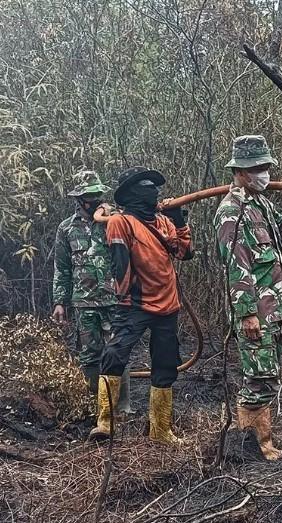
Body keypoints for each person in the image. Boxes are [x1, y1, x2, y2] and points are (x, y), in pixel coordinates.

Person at [215, 135, 282, 460]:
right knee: (259, 378)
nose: (263, 173)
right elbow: (236, 266)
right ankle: (251, 448)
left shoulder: (261, 204)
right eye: (256, 168)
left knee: (266, 375)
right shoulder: (232, 211)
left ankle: (260, 443)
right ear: (239, 172)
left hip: (273, 309)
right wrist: (247, 314)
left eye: (266, 167)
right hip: (255, 312)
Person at [89, 167, 192, 445]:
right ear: (134, 193)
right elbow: (119, 264)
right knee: (114, 354)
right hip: (135, 304)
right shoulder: (120, 222)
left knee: (166, 364)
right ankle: (106, 422)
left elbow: (185, 253)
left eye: (154, 187)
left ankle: (160, 430)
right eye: (148, 186)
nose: (155, 191)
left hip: (168, 305)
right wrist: (123, 296)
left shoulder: (163, 222)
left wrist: (179, 221)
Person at [51, 170, 133, 415]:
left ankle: (122, 408)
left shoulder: (115, 221)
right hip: (84, 303)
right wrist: (59, 302)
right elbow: (62, 268)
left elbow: (131, 256)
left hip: (114, 299)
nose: (94, 200)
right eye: (88, 196)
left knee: (117, 352)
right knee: (90, 355)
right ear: (79, 198)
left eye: (97, 195)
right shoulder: (66, 228)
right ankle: (95, 407)